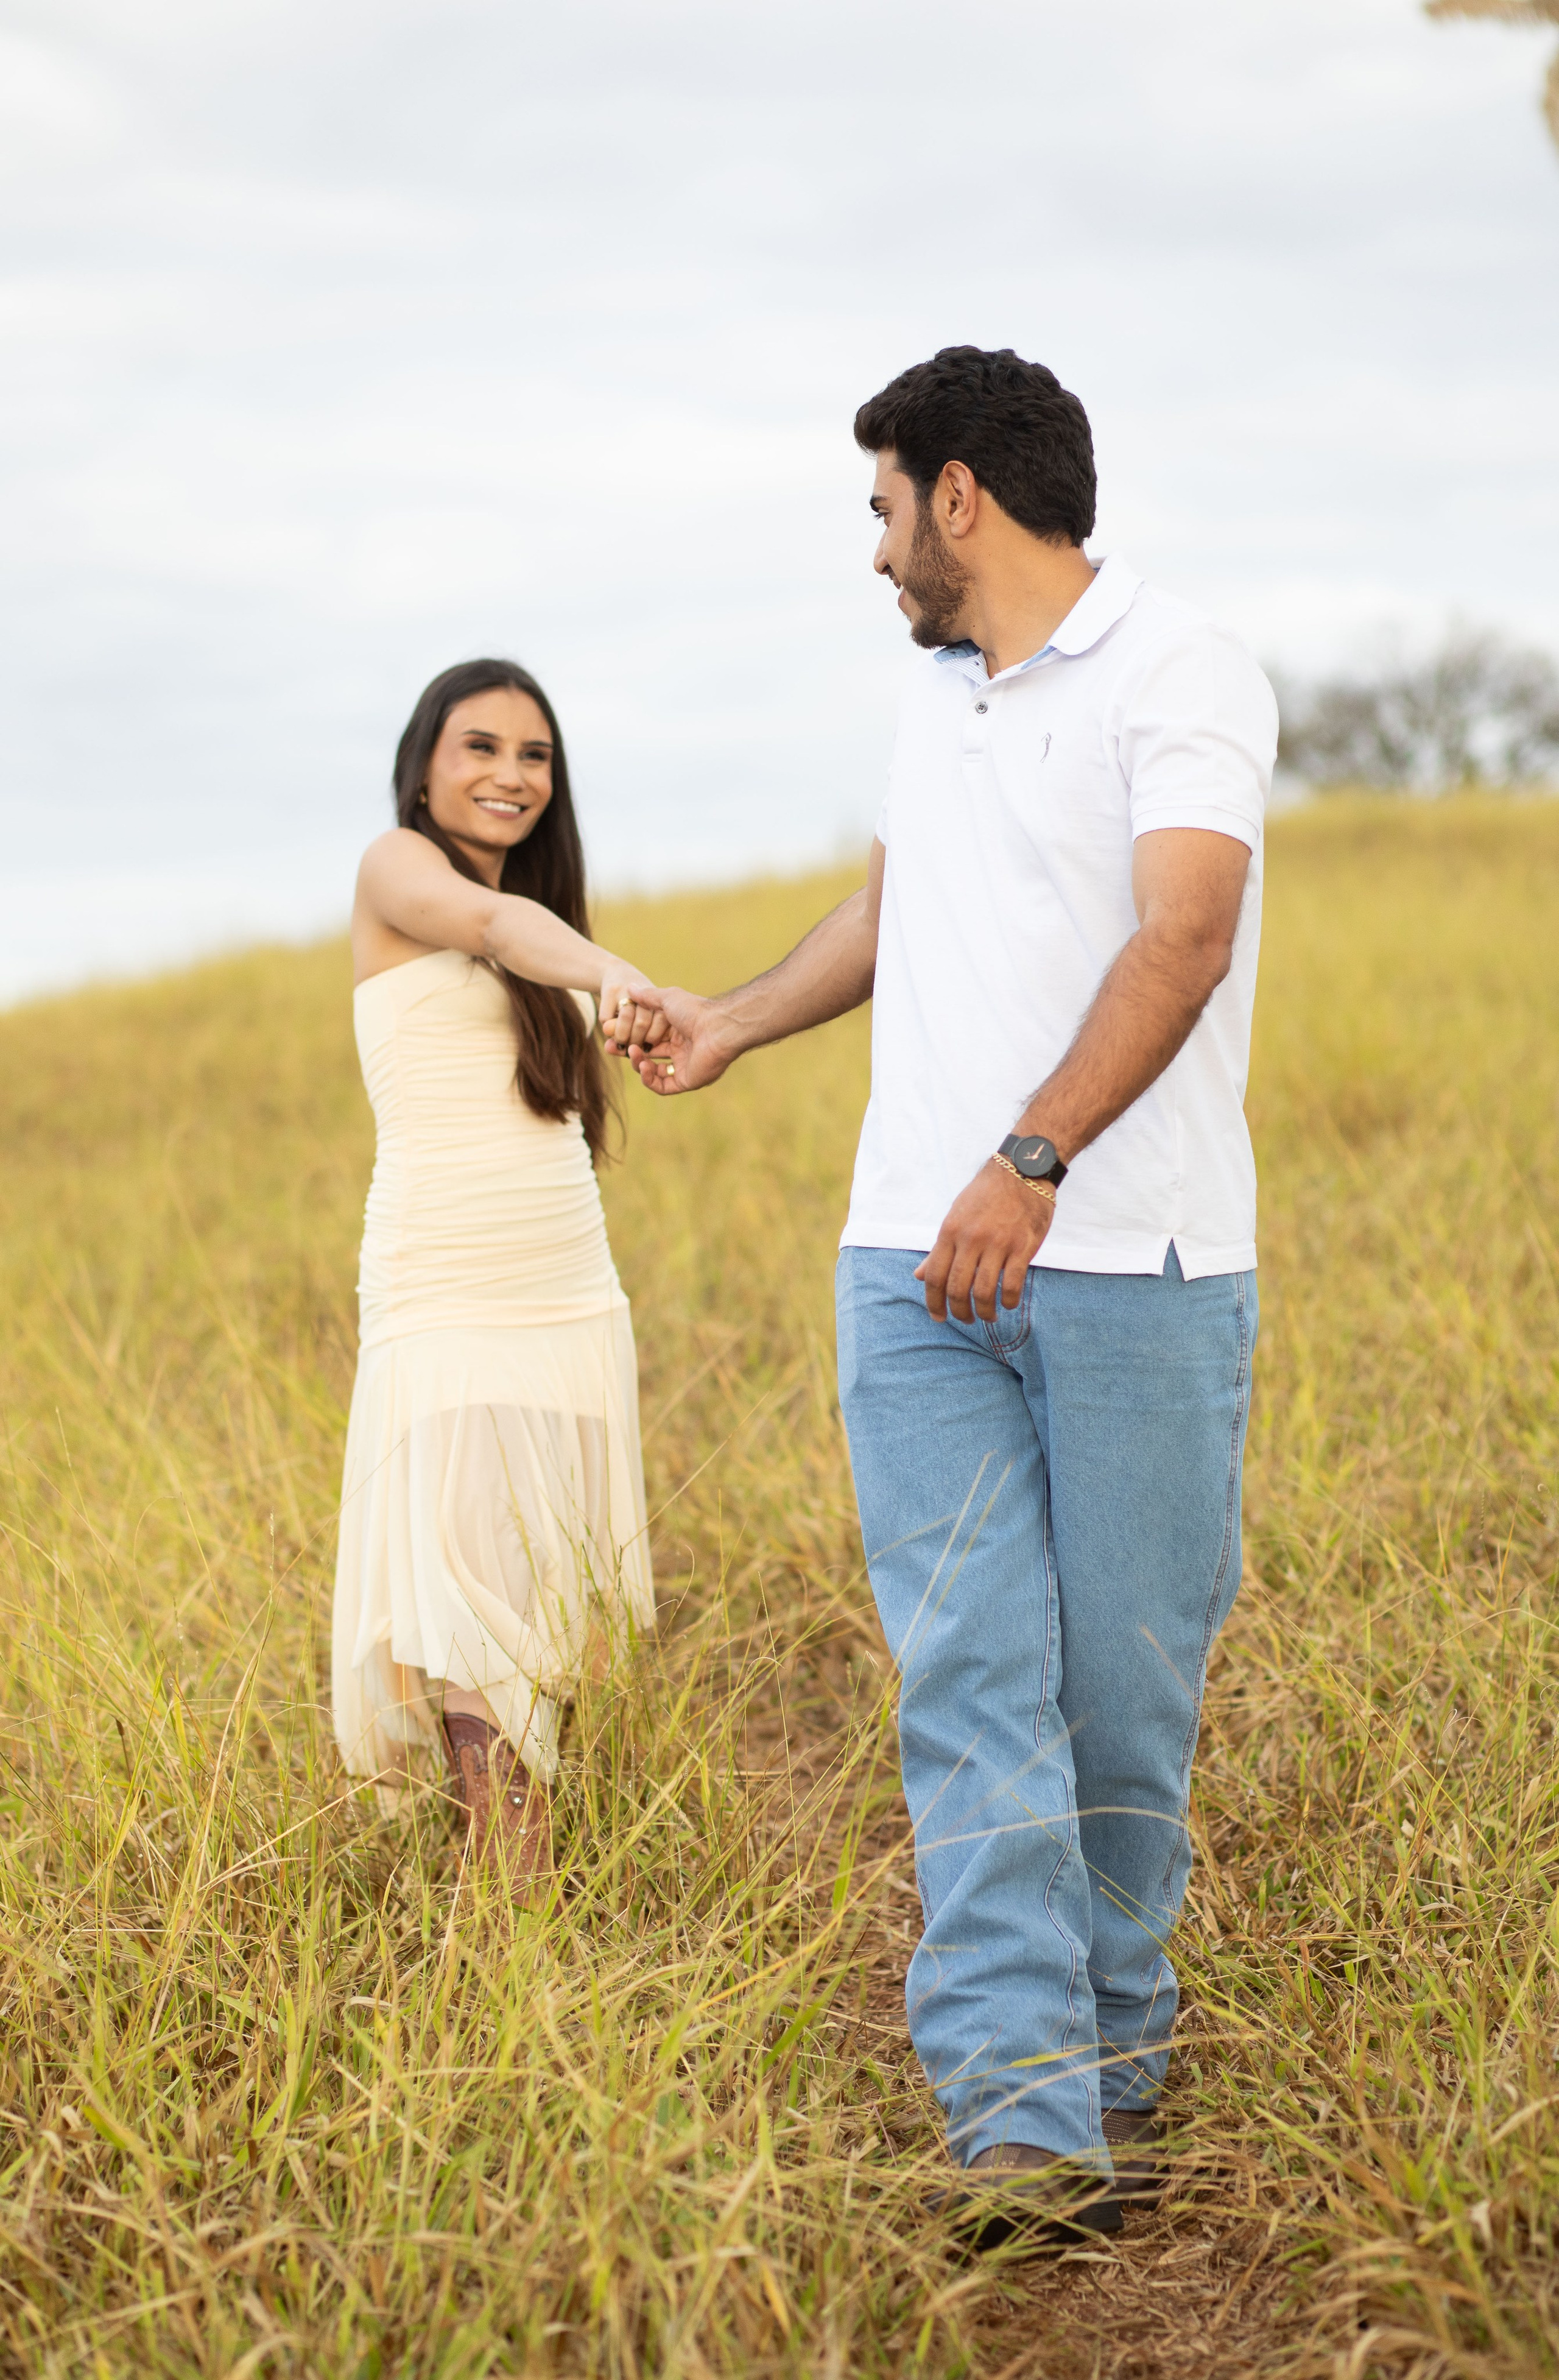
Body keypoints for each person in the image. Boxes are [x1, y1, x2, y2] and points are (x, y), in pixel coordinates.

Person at [610, 347, 1277, 2243]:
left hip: (1135, 1265)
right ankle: (1021, 2120)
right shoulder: (939, 700)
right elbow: (903, 906)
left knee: (1120, 1699)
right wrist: (735, 1021)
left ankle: (1118, 2055)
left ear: (959, 496)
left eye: (883, 507)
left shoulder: (1184, 669)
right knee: (970, 1674)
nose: (878, 549)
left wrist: (1032, 1159)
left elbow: (1187, 930)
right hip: (908, 1270)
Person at [334, 658, 664, 1899]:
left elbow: (550, 1076)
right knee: (463, 1577)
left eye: (534, 756)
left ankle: (514, 1863)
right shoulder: (399, 871)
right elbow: (485, 927)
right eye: (481, 747)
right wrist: (606, 971)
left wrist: (631, 1018)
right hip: (444, 1283)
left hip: (568, 1286)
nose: (509, 775)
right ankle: (508, 1877)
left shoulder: (546, 924)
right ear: (426, 764)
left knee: (532, 1576)